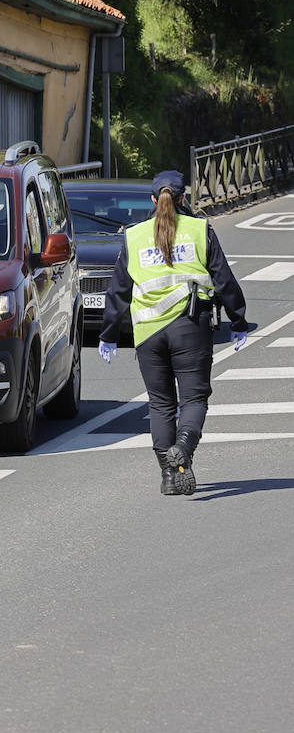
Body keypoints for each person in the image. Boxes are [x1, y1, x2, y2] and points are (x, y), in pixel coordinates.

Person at [98, 170, 250, 496]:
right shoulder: (199, 230)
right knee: (194, 398)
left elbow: (118, 291)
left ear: (153, 200)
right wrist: (238, 321)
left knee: (161, 405)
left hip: (148, 334)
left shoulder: (134, 235)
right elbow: (223, 279)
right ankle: (183, 445)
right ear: (183, 198)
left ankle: (169, 476)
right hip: (191, 327)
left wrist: (108, 334)